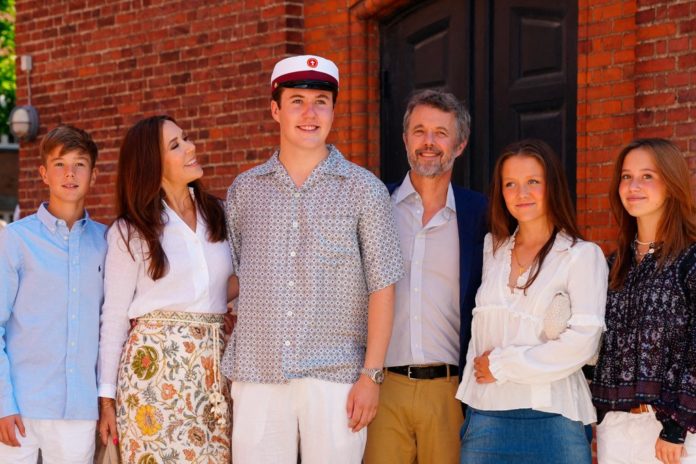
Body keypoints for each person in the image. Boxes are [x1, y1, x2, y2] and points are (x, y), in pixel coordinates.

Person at [220, 55, 404, 464]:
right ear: (275, 109)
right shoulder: (244, 191)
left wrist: (371, 377)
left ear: (333, 110)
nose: (310, 113)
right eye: (297, 100)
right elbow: (232, 278)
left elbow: (383, 287)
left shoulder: (364, 190)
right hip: (257, 373)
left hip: (335, 377)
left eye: (321, 101)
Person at [455, 139, 607, 463]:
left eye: (532, 182)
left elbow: (583, 342)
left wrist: (502, 364)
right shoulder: (492, 250)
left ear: (551, 185)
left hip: (555, 419)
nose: (521, 193)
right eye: (510, 184)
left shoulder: (581, 256)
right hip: (486, 419)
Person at [97, 116, 235, 463]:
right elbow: (113, 316)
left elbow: (231, 285)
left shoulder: (219, 213)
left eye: (185, 138)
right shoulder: (130, 232)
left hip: (214, 374)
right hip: (152, 378)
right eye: (176, 145)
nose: (191, 147)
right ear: (152, 165)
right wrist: (106, 399)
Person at [363, 89, 487, 464]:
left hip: (449, 392)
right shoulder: (373, 205)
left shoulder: (480, 214)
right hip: (381, 389)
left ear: (460, 144)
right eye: (419, 131)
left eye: (440, 133)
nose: (428, 142)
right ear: (405, 139)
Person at [0, 125, 106, 463]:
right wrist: (3, 404)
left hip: (79, 410)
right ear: (44, 173)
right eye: (60, 164)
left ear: (94, 174)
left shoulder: (109, 243)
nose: (70, 174)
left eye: (80, 164)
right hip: (20, 408)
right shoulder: (15, 240)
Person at [592, 138, 696, 464]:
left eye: (647, 176)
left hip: (673, 432)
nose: (633, 186)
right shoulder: (611, 266)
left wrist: (675, 428)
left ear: (671, 183)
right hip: (615, 427)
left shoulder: (690, 260)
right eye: (626, 176)